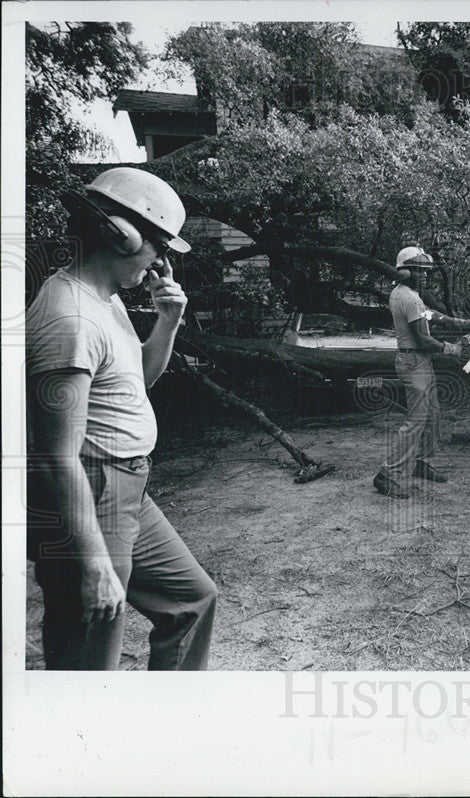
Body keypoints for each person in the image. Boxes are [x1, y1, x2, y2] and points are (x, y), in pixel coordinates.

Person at [26, 167, 218, 670]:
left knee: (193, 601)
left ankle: (161, 728)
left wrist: (167, 321)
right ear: (122, 234)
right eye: (159, 246)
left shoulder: (104, 301)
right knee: (90, 654)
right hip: (91, 488)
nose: (159, 262)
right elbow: (54, 456)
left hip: (128, 487)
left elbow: (139, 383)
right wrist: (92, 561)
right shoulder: (70, 318)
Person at [374, 246, 470, 499]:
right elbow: (423, 340)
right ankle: (385, 476)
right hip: (414, 362)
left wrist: (457, 322)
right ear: (405, 271)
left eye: (426, 272)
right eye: (419, 271)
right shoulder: (409, 298)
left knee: (432, 415)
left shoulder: (406, 294)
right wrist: (457, 347)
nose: (425, 276)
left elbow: (427, 314)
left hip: (419, 362)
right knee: (416, 421)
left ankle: (421, 464)